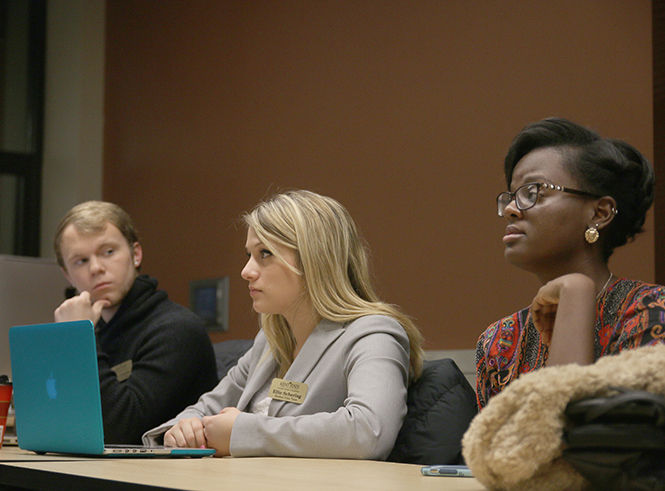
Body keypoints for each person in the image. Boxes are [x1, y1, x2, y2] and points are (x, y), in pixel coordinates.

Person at [143, 190, 424, 459]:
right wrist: (182, 429)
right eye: (248, 255)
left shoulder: (373, 333)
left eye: (265, 253)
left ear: (314, 260)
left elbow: (368, 431)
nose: (246, 272)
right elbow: (205, 408)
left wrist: (244, 432)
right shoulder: (271, 338)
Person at [475, 117, 665, 409]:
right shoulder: (499, 341)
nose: (511, 209)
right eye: (512, 196)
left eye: (533, 192)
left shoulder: (651, 312)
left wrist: (575, 291)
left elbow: (583, 442)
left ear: (599, 213)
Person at [53, 201, 218, 443]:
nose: (97, 268)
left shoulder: (177, 329)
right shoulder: (90, 330)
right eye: (81, 261)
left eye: (108, 252)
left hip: (162, 475)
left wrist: (78, 338)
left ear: (136, 254)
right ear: (67, 275)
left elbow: (121, 429)